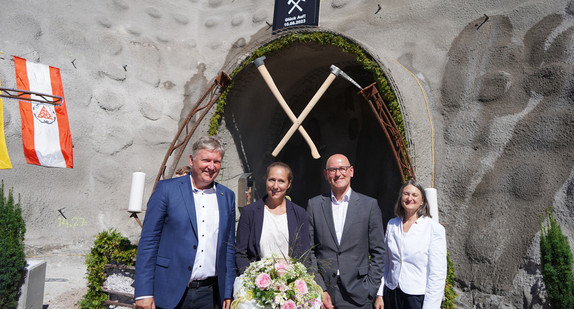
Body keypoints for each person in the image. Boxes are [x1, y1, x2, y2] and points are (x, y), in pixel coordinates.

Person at [134, 136, 236, 309]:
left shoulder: (227, 196)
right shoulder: (167, 189)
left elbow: (228, 247)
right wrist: (143, 291)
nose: (211, 167)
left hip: (209, 295)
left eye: (216, 161)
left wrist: (228, 291)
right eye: (206, 160)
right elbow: (149, 242)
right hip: (169, 291)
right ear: (191, 160)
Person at [307, 154, 385, 309]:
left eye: (342, 168)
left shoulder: (369, 205)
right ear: (325, 174)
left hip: (359, 293)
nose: (338, 174)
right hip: (325, 294)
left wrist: (370, 289)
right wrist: (318, 287)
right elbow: (309, 251)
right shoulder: (314, 205)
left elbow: (379, 252)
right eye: (332, 170)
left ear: (351, 171)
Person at [374, 179, 447, 309]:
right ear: (401, 197)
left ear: (422, 201)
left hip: (417, 296)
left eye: (414, 195)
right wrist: (380, 294)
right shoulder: (392, 224)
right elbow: (386, 262)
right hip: (392, 292)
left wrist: (431, 306)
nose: (409, 198)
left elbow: (437, 273)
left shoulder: (433, 229)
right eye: (406, 194)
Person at [235, 162, 311, 273]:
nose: (275, 186)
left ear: (289, 184)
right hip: (256, 284)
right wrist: (251, 278)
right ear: (266, 180)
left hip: (291, 285)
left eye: (281, 181)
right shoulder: (250, 212)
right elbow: (240, 253)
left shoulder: (299, 213)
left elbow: (305, 254)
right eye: (271, 180)